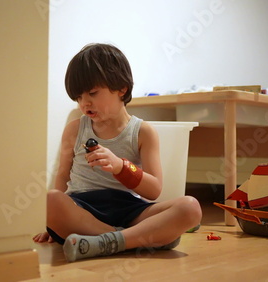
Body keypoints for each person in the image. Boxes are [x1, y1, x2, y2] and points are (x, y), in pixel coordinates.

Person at [33, 43, 202, 262]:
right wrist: (51, 221)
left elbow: (154, 190)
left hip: (129, 209)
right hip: (82, 209)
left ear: (121, 88)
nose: (85, 103)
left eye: (93, 93)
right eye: (78, 97)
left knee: (190, 207)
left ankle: (108, 241)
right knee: (50, 200)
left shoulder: (143, 132)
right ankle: (135, 239)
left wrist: (121, 167)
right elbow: (62, 177)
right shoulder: (75, 129)